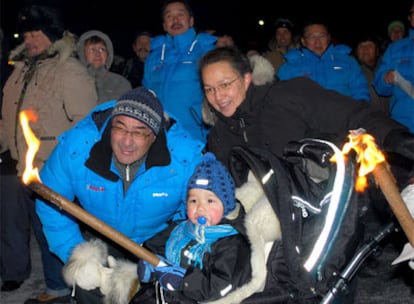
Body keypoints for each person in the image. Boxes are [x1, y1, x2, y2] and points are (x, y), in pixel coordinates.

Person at [198, 45, 414, 302]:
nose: (217, 96)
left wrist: (401, 141)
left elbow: (352, 114)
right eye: (209, 89)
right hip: (268, 233)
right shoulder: (219, 136)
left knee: (322, 287)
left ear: (246, 78)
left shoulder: (287, 96)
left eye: (224, 84)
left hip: (320, 214)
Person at [34, 87, 204, 304]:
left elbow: (201, 215)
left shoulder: (184, 159)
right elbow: (50, 203)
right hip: (102, 233)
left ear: (154, 136)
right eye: (120, 128)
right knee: (91, 289)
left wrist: (176, 252)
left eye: (139, 131)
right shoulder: (77, 149)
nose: (126, 141)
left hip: (158, 236)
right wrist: (78, 256)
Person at [0, 4, 97, 303]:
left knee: (50, 229)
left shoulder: (69, 70)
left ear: (52, 36)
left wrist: (72, 167)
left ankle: (61, 287)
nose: (29, 39)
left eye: (36, 33)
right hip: (19, 161)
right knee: (16, 223)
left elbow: (86, 124)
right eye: (26, 33)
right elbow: (8, 115)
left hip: (52, 166)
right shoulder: (21, 70)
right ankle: (18, 272)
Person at [132, 152, 251, 303]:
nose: (200, 208)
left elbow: (221, 286)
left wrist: (184, 281)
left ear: (226, 206)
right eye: (193, 200)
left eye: (210, 201)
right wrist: (149, 262)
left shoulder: (233, 244)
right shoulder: (180, 229)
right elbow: (153, 247)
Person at [143, 0, 217, 143]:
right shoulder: (154, 56)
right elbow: (147, 93)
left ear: (191, 21)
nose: (175, 20)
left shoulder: (206, 51)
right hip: (158, 136)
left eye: (180, 14)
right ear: (164, 25)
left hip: (195, 136)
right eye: (169, 16)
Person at [277, 21, 370, 102]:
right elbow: (279, 96)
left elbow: (361, 92)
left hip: (343, 118)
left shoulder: (347, 61)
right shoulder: (290, 65)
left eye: (322, 36)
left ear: (329, 38)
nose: (317, 42)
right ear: (303, 41)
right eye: (312, 37)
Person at [373, 2, 414, 134]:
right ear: (410, 18)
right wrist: (385, 79)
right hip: (404, 123)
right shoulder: (394, 49)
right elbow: (379, 86)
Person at [77, 30, 132, 103]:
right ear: (83, 54)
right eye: (92, 50)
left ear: (108, 54)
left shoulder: (121, 83)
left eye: (101, 49)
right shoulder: (74, 81)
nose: (97, 54)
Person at [354, 34, 390, 114]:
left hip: (391, 121)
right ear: (356, 51)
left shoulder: (388, 67)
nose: (365, 49)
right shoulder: (351, 71)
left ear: (377, 51)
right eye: (361, 46)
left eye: (370, 45)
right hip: (365, 122)